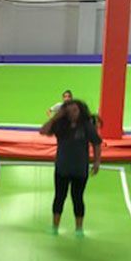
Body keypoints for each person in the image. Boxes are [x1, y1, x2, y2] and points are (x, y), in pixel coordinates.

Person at [40, 100, 102, 237]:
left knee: (78, 198)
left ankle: (79, 228)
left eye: (75, 110)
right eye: (69, 111)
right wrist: (56, 117)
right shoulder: (60, 126)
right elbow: (43, 130)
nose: (72, 114)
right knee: (59, 197)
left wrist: (97, 161)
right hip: (62, 168)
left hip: (80, 169)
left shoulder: (86, 126)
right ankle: (55, 227)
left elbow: (97, 143)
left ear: (80, 111)